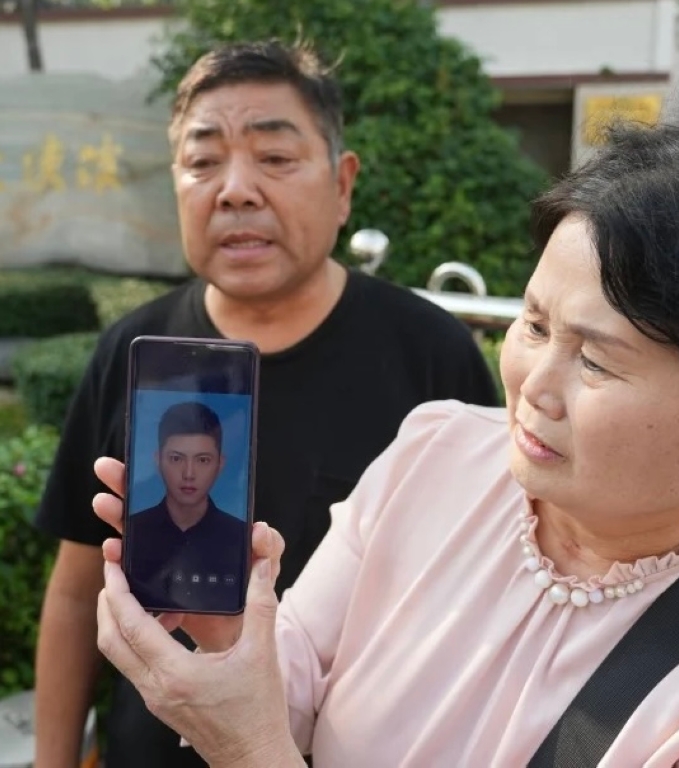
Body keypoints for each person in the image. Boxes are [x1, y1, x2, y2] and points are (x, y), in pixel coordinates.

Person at [92, 121, 679, 767]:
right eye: (535, 324)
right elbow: (296, 676)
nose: (531, 384)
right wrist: (231, 641)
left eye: (597, 359)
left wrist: (250, 752)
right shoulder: (435, 456)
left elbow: (265, 740)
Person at [32, 40, 498, 768]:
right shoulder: (132, 352)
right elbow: (73, 594)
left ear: (342, 185)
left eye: (275, 159)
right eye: (202, 161)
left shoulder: (434, 357)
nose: (236, 189)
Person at [127, 401, 246, 610]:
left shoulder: (242, 536)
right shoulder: (133, 530)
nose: (189, 474)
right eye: (176, 458)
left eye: (202, 460)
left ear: (220, 464)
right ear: (158, 460)